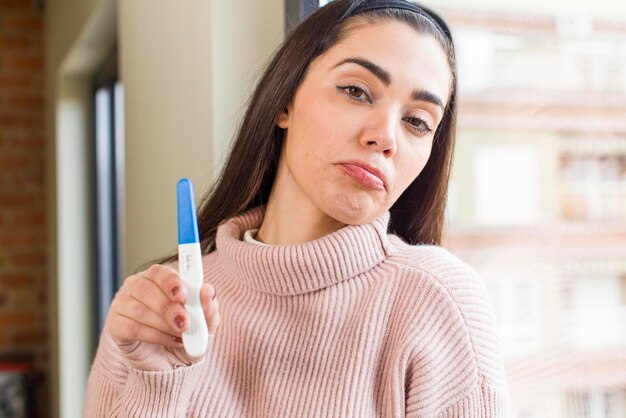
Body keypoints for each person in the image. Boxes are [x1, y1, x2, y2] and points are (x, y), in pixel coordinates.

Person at [84, 0, 509, 416]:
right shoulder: (151, 314)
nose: (385, 137)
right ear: (285, 100)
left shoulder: (439, 304)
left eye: (417, 121)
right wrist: (156, 386)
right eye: (356, 91)